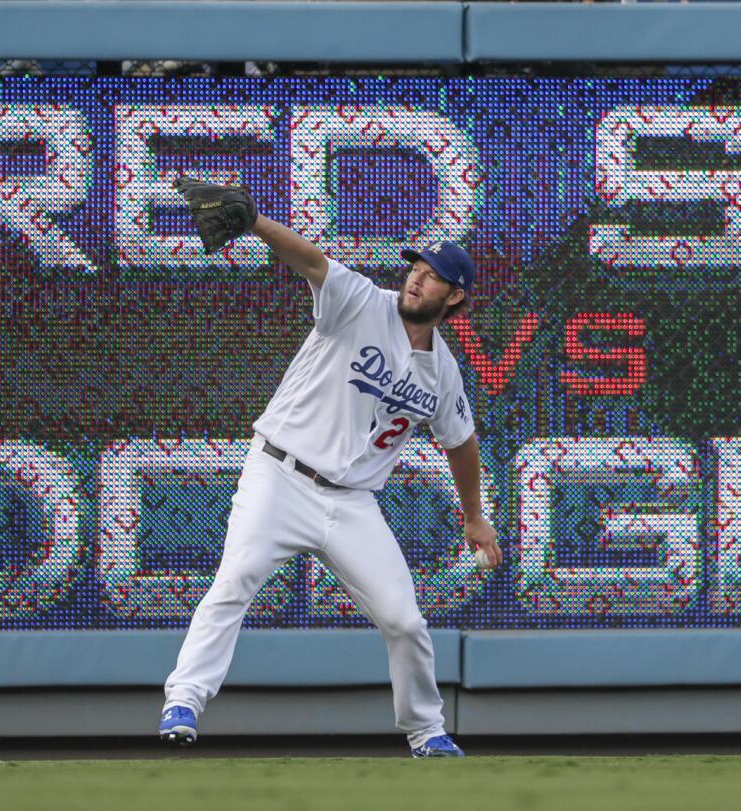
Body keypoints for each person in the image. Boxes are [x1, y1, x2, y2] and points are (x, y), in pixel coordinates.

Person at [158, 213, 502, 758]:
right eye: (416, 266)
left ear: (455, 297)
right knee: (236, 580)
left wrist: (473, 515)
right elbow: (311, 260)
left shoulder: (444, 372)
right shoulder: (362, 302)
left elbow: (461, 442)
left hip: (352, 503)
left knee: (403, 619)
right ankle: (183, 701)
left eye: (432, 274)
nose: (416, 277)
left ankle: (427, 732)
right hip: (280, 474)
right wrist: (253, 221)